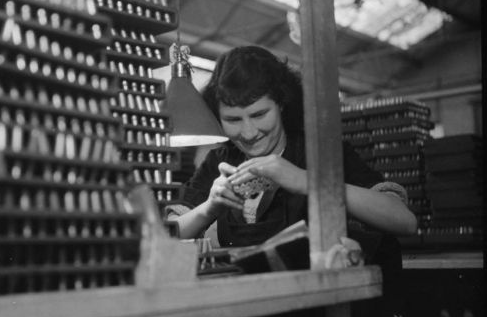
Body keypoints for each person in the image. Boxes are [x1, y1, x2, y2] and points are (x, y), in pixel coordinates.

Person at [166, 45, 417, 248]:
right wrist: (207, 209)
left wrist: (306, 181)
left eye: (259, 114)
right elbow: (166, 238)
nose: (249, 132)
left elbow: (404, 222)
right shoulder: (219, 162)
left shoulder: (321, 153)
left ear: (282, 104)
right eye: (233, 120)